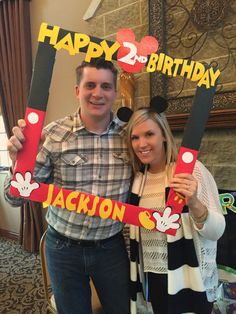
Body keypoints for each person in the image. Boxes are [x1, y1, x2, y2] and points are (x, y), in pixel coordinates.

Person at [4, 58, 132, 314]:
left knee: (121, 310)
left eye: (106, 86)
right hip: (63, 249)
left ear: (115, 93)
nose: (98, 93)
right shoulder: (52, 135)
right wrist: (20, 163)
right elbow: (14, 197)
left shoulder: (130, 137)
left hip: (111, 249)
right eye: (90, 85)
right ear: (77, 90)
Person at [126, 100, 225, 314]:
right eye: (135, 137)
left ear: (163, 134)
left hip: (191, 275)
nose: (141, 143)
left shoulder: (190, 171)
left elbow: (217, 231)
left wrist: (194, 203)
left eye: (149, 134)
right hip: (154, 278)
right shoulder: (137, 181)